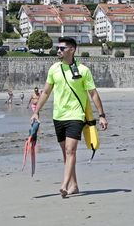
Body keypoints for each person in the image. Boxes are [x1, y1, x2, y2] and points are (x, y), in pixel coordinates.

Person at [30, 36, 108, 198]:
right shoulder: (54, 69)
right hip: (58, 116)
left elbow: (93, 93)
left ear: (72, 50)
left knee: (70, 150)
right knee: (66, 153)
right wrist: (36, 111)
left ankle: (64, 185)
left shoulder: (84, 70)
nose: (58, 51)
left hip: (76, 115)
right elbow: (45, 92)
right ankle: (74, 185)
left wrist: (101, 115)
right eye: (57, 48)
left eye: (62, 48)